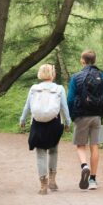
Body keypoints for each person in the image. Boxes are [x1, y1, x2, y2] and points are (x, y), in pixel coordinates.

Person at [19, 63, 72, 194]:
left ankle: (43, 184)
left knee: (40, 153)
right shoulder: (59, 89)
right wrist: (68, 123)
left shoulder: (34, 88)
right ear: (52, 74)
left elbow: (28, 106)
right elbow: (64, 108)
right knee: (53, 150)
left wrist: (22, 119)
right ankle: (52, 180)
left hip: (37, 123)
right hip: (55, 123)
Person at [67, 49, 103, 190]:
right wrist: (102, 114)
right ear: (95, 60)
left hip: (81, 115)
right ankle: (92, 180)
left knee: (80, 146)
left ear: (82, 61)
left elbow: (69, 99)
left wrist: (72, 115)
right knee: (95, 146)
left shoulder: (76, 77)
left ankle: (84, 165)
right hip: (97, 116)